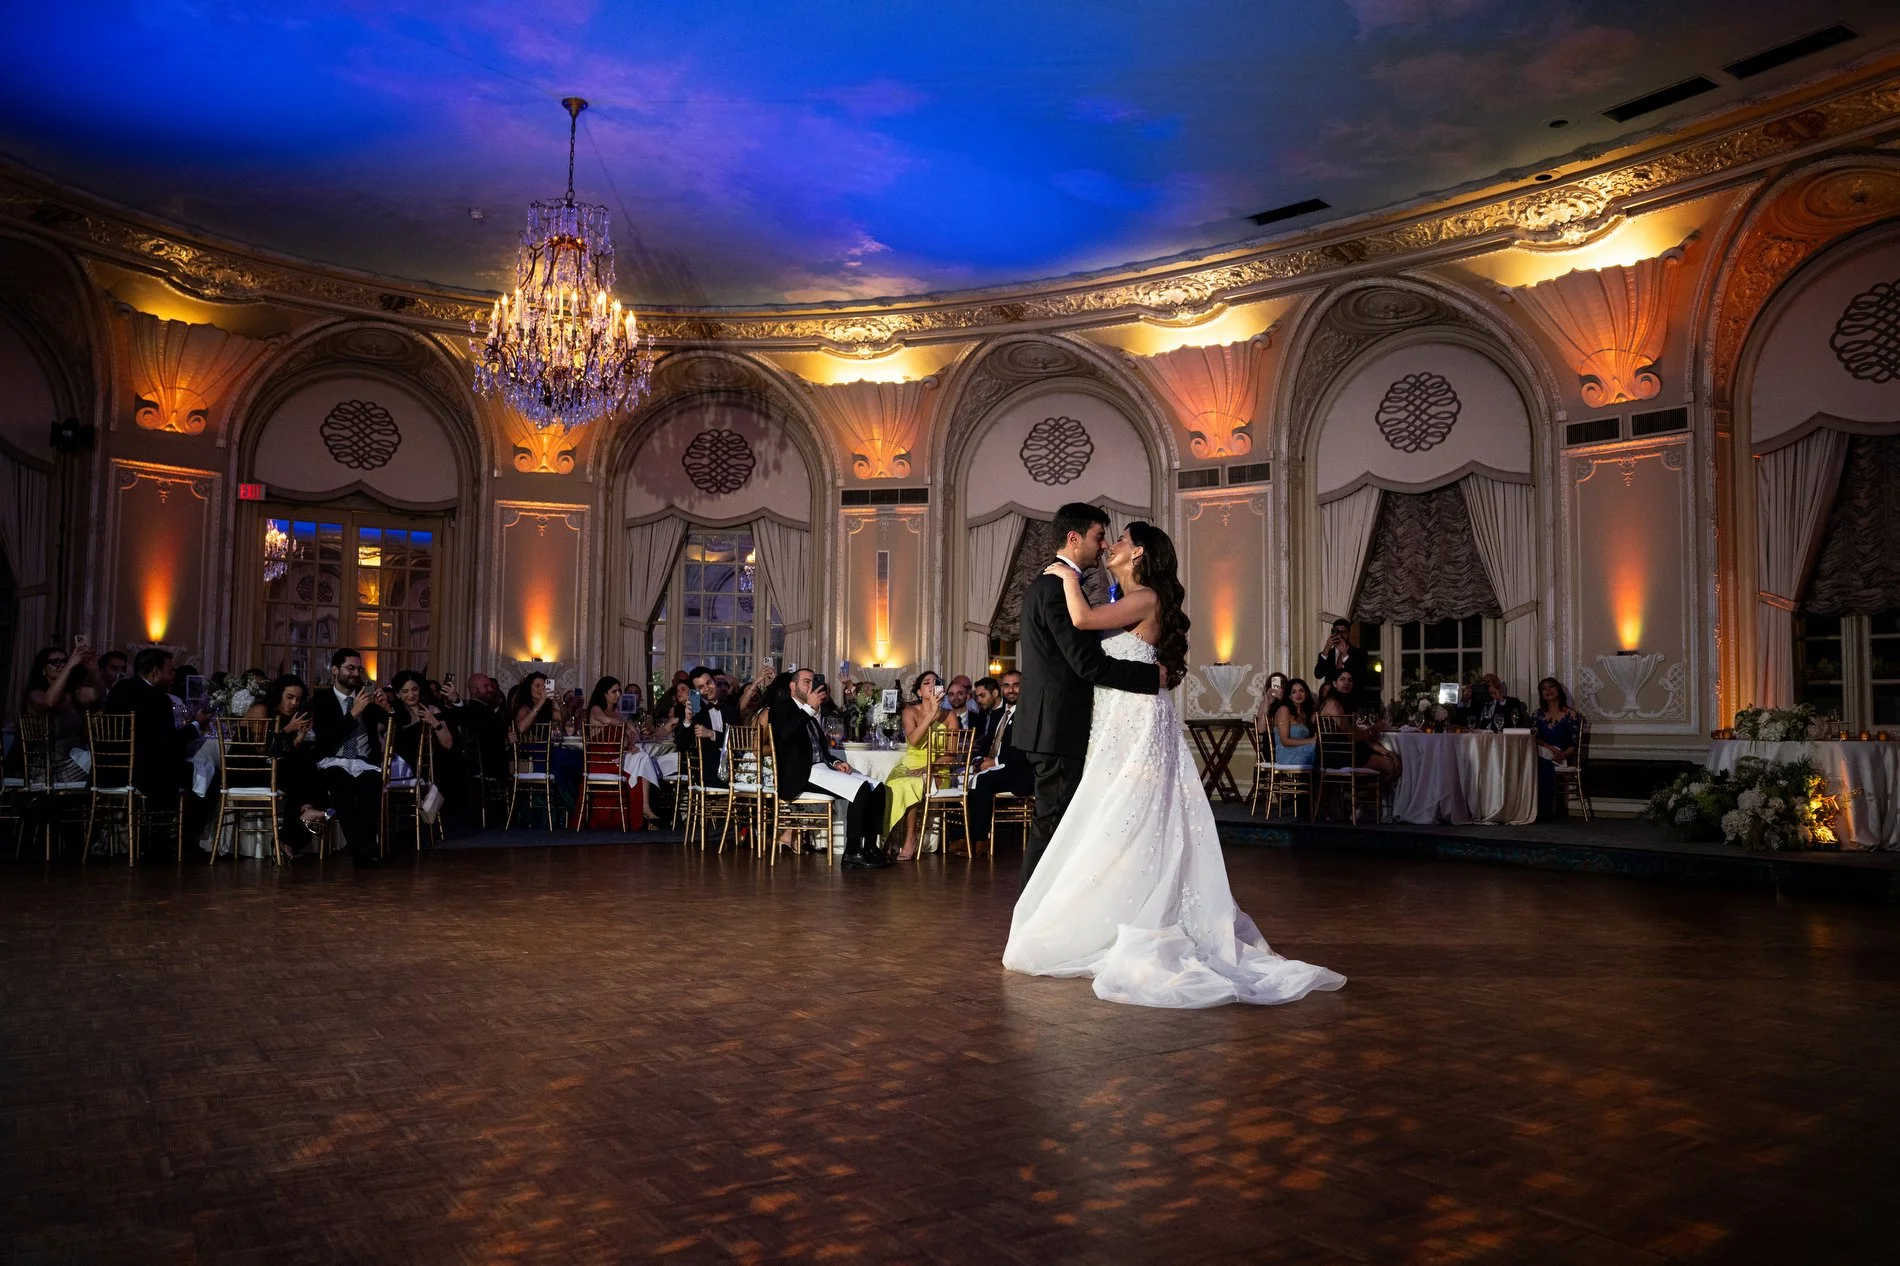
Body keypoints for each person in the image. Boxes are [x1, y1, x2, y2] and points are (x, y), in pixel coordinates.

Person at [1005, 521, 1345, 1009]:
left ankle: (1131, 916)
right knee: (1117, 820)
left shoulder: (1144, 598)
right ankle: (1111, 912)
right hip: (1118, 716)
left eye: (1119, 540)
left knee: (1130, 816)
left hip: (1137, 719)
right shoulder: (1131, 597)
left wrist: (1063, 577)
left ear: (1138, 551)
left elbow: (1080, 622)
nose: (1112, 546)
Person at [1012, 502, 1165, 884]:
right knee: (1055, 826)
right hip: (1058, 728)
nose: (1104, 546)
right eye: (1099, 537)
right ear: (1074, 538)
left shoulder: (1061, 585)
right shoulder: (1056, 587)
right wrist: (1152, 677)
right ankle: (1033, 916)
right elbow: (1089, 665)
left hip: (1067, 726)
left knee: (1061, 825)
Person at [766, 667, 891, 869]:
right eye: (806, 682)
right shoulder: (782, 708)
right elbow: (785, 734)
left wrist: (835, 762)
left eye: (812, 681)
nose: (811, 686)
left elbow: (820, 749)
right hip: (802, 773)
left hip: (821, 768)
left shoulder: (812, 711)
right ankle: (852, 852)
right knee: (859, 790)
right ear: (792, 686)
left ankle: (869, 847)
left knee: (877, 787)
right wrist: (808, 709)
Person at [103, 646, 210, 855]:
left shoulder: (119, 689)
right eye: (170, 671)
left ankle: (162, 835)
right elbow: (169, 744)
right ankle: (183, 840)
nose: (173, 676)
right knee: (204, 773)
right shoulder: (159, 698)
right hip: (144, 773)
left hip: (109, 770)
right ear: (155, 672)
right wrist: (196, 726)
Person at [308, 648, 389, 866]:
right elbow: (325, 740)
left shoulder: (367, 698)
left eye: (358, 669)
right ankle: (362, 849)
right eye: (349, 668)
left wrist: (387, 708)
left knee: (371, 787)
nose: (355, 673)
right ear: (335, 670)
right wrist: (353, 714)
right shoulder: (321, 700)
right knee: (342, 787)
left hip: (364, 762)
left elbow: (394, 721)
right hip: (334, 760)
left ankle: (364, 847)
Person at [883, 670, 959, 861]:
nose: (932, 685)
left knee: (911, 784)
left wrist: (929, 768)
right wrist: (931, 714)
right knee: (893, 784)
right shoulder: (910, 712)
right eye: (927, 682)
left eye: (936, 682)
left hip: (937, 768)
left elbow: (951, 755)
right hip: (909, 763)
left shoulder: (950, 716)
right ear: (918, 691)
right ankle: (891, 836)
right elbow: (914, 741)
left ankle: (910, 839)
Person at [250, 673, 328, 845]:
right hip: (249, 770)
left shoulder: (289, 716)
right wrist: (287, 729)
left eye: (298, 699)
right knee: (302, 771)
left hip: (275, 768)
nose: (294, 703)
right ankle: (305, 814)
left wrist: (300, 736)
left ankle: (292, 835)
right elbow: (260, 749)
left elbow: (286, 751)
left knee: (310, 769)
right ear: (278, 694)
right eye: (290, 697)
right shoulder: (261, 709)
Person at [964, 671, 1035, 856]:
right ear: (1001, 689)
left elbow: (1025, 751)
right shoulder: (1003, 713)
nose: (1011, 690)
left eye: (1016, 685)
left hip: (1022, 771)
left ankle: (980, 840)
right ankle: (962, 837)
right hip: (1002, 766)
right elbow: (989, 741)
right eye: (1006, 685)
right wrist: (979, 760)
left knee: (982, 781)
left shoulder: (1029, 713)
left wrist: (994, 762)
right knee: (964, 778)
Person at [23, 645, 98, 785]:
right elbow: (49, 702)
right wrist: (70, 665)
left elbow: (99, 693)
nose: (60, 665)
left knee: (109, 758)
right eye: (54, 662)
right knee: (102, 762)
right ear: (43, 670)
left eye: (64, 661)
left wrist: (94, 670)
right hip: (52, 768)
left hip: (76, 760)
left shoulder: (73, 694)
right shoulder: (35, 695)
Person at [1317, 669, 1399, 784]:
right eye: (1342, 679)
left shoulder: (1341, 704)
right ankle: (1362, 796)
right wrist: (1374, 729)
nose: (1346, 683)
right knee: (1389, 766)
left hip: (1344, 752)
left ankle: (1361, 796)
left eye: (1349, 680)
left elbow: (1358, 735)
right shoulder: (1333, 704)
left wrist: (1387, 752)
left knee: (1391, 761)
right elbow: (1352, 737)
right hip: (1337, 755)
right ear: (1335, 684)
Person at [1532, 677, 1581, 820]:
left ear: (1558, 690)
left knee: (1544, 765)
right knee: (1541, 763)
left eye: (1551, 687)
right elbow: (1532, 738)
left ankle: (1544, 812)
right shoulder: (1537, 714)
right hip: (1541, 753)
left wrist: (1563, 755)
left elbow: (1574, 743)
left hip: (1562, 757)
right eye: (1544, 688)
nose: (1547, 690)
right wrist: (1549, 748)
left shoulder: (1570, 714)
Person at [1313, 619, 1370, 706]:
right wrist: (1326, 648)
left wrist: (1345, 654)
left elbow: (1360, 677)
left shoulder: (1360, 653)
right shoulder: (1327, 653)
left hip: (1353, 700)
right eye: (1337, 632)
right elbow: (1318, 674)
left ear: (1349, 633)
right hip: (1331, 700)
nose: (1340, 635)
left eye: (1343, 632)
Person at [1267, 677, 1319, 768]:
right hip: (1287, 755)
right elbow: (1285, 741)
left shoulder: (1305, 713)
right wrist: (1311, 741)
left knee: (1326, 749)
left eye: (1301, 691)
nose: (1298, 694)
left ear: (1306, 694)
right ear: (1289, 696)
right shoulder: (1284, 710)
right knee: (1320, 751)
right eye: (1294, 692)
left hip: (1304, 750)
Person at [1252, 671, 1289, 744]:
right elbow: (1261, 729)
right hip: (1271, 742)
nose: (1277, 687)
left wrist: (1281, 698)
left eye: (1281, 685)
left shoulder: (1290, 703)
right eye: (1274, 685)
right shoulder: (1265, 703)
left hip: (1287, 740)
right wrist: (1267, 703)